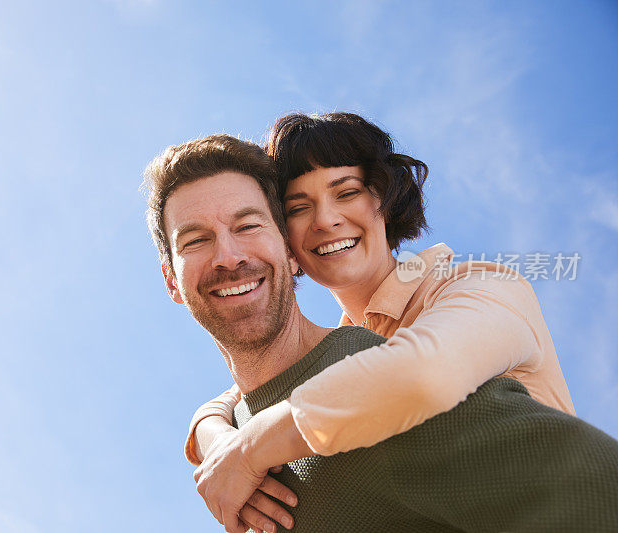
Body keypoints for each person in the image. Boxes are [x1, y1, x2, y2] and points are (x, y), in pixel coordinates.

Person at [143, 134, 618, 533]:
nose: (326, 220)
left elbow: (417, 374)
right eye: (300, 206)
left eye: (345, 192)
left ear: (384, 199)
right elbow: (259, 386)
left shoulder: (473, 290)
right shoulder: (339, 364)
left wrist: (246, 450)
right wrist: (214, 434)